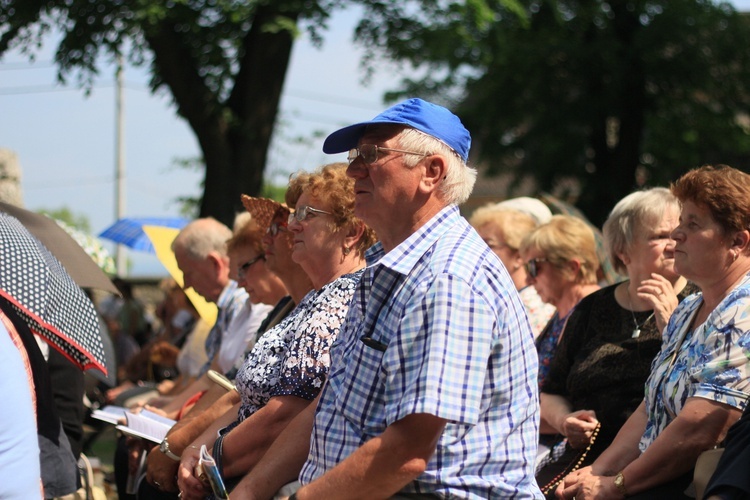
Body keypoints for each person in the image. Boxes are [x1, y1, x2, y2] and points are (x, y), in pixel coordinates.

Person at [235, 97, 542, 498]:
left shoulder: (448, 279)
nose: (352, 169)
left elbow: (407, 453)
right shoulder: (389, 270)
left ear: (431, 172)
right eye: (354, 155)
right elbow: (328, 406)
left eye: (371, 154)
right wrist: (248, 492)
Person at [173, 163, 375, 499]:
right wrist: (196, 449)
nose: (290, 226)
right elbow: (245, 397)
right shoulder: (315, 298)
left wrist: (209, 459)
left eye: (306, 215)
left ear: (351, 232)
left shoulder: (343, 300)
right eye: (293, 215)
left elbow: (285, 416)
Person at [557, 165, 750, 499]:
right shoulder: (689, 308)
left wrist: (616, 485)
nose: (676, 235)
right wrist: (596, 471)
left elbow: (701, 428)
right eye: (679, 223)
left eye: (693, 224)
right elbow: (651, 407)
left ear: (737, 241)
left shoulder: (743, 313)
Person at [143, 197, 316, 496]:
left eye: (245, 267)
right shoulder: (285, 308)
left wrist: (195, 455)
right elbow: (231, 388)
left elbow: (280, 414)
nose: (238, 279)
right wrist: (185, 446)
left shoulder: (326, 304)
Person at [536, 188, 696, 496]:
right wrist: (565, 420)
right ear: (624, 250)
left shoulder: (698, 303)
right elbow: (552, 391)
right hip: (584, 453)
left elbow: (693, 390)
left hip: (655, 461)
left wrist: (671, 326)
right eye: (660, 235)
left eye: (679, 232)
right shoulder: (593, 307)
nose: (674, 242)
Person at [520, 214, 601, 387]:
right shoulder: (564, 313)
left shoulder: (596, 313)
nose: (528, 279)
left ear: (571, 268)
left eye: (534, 267)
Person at [470, 204, 555, 337]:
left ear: (519, 257)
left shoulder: (536, 307)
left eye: (489, 244)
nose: (478, 251)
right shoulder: (489, 297)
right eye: (477, 243)